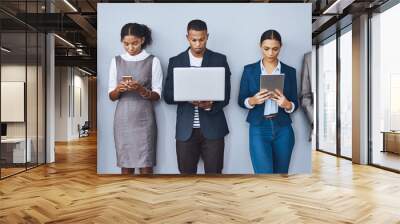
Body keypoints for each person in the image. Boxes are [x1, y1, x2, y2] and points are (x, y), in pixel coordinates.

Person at [163, 19, 231, 174]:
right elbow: (167, 95)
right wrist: (186, 97)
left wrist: (211, 105)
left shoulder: (220, 59)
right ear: (187, 37)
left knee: (214, 175)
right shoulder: (176, 61)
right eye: (194, 40)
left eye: (202, 39)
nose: (198, 44)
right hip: (185, 130)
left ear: (207, 36)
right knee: (186, 176)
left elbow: (226, 96)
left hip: (214, 128)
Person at [238, 30, 298, 174]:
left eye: (275, 49)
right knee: (263, 176)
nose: (270, 53)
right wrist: (252, 100)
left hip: (283, 128)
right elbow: (241, 100)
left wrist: (287, 104)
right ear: (260, 46)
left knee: (281, 175)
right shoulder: (249, 70)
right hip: (259, 128)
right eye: (266, 49)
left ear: (281, 47)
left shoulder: (290, 71)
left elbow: (295, 102)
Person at [108, 23, 163, 175]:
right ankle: (126, 197)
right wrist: (118, 89)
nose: (130, 48)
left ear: (142, 40)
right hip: (123, 120)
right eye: (126, 44)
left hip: (144, 120)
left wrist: (140, 89)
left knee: (146, 165)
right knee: (125, 166)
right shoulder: (116, 61)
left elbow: (157, 95)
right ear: (122, 42)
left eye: (135, 43)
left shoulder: (153, 61)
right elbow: (111, 97)